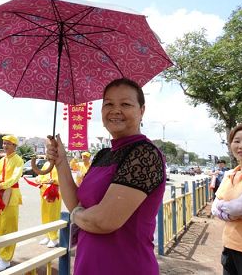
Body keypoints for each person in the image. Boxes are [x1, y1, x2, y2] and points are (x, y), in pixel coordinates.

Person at [46, 78, 166, 275]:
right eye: (108, 104)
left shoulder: (144, 154)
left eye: (125, 104)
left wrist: (76, 216)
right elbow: (76, 202)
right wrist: (61, 162)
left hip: (126, 266)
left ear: (141, 110)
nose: (115, 110)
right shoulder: (103, 154)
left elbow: (103, 221)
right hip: (88, 265)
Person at [211, 123, 242, 274]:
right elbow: (214, 207)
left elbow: (241, 207)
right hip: (230, 245)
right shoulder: (232, 173)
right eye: (236, 141)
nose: (241, 146)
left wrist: (224, 207)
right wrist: (228, 213)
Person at [0, 135, 24, 272]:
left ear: (15, 146)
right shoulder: (2, 160)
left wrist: (3, 184)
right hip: (0, 195)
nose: (5, 146)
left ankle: (7, 258)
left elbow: (15, 177)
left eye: (8, 144)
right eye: (4, 143)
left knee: (9, 227)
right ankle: (2, 253)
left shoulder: (18, 160)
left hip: (11, 196)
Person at [35, 162, 61, 248]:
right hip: (44, 191)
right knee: (45, 214)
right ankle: (47, 235)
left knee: (53, 215)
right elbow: (41, 174)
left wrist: (55, 180)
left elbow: (64, 178)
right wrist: (38, 179)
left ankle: (53, 238)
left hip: (54, 192)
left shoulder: (60, 163)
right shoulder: (46, 164)